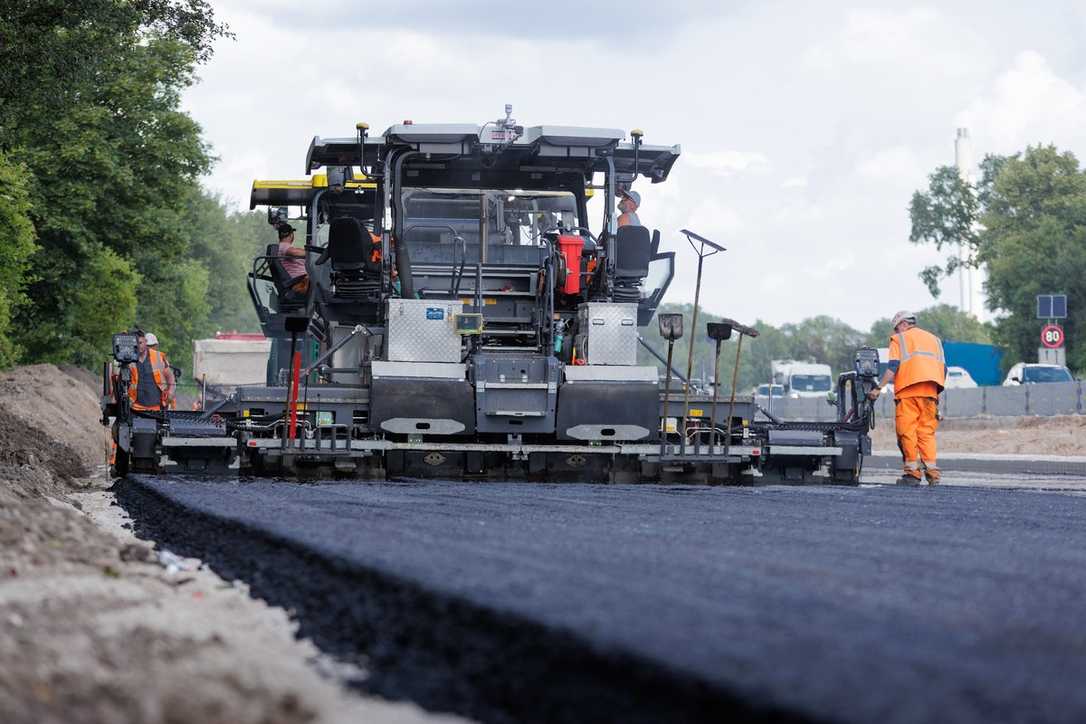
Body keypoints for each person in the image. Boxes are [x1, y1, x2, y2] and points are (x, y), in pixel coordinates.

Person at [868, 310, 947, 485]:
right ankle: (933, 475)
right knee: (926, 433)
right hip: (930, 394)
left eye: (896, 328)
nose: (896, 332)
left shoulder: (899, 339)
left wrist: (878, 388)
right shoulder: (935, 340)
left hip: (908, 393)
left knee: (907, 433)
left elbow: (893, 366)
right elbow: (944, 370)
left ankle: (912, 474)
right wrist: (935, 396)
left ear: (903, 324)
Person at [129, 332, 175, 412]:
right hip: (135, 407)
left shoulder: (158, 356)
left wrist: (171, 391)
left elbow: (170, 376)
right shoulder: (128, 359)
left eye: (140, 343)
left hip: (157, 407)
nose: (139, 346)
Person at [276, 222, 309, 293]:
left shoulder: (282, 246)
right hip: (299, 282)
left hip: (300, 280)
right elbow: (294, 252)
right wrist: (311, 253)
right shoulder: (284, 246)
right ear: (291, 235)